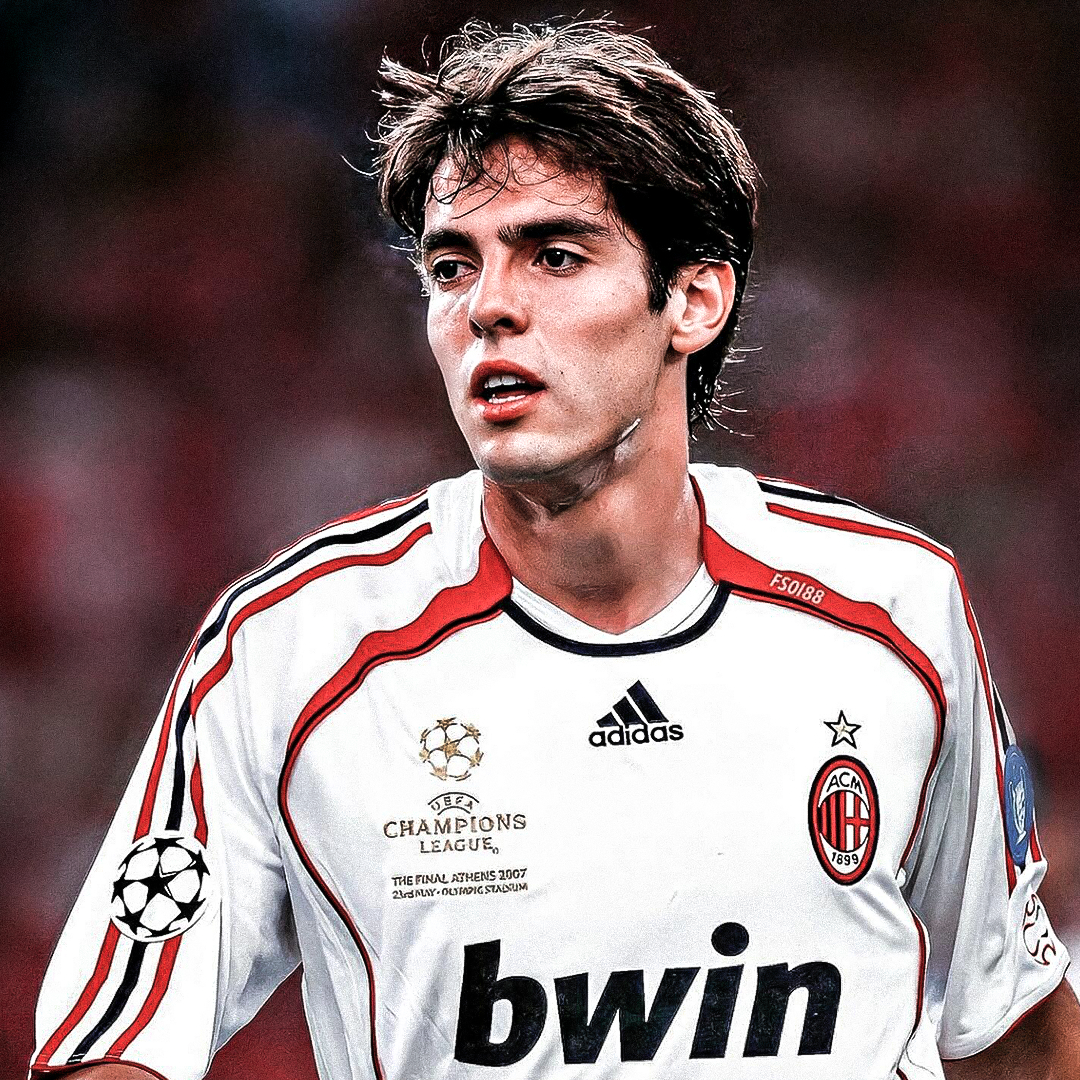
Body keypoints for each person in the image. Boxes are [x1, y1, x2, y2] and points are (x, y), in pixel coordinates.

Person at [31, 20, 1080, 1080]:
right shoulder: (291, 652)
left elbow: (1016, 1031)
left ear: (693, 300)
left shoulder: (893, 607)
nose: (489, 306)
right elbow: (108, 1052)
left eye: (556, 256)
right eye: (452, 266)